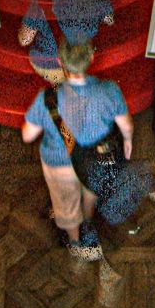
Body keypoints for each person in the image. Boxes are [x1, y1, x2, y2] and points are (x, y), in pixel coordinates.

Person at [20, 41, 131, 260]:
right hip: (96, 159)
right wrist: (127, 141)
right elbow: (126, 125)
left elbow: (27, 135)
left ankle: (75, 241)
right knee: (90, 191)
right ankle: (88, 222)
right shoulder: (109, 90)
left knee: (66, 204)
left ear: (60, 62)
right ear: (90, 59)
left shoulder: (47, 100)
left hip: (60, 164)